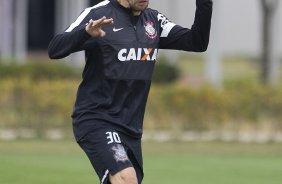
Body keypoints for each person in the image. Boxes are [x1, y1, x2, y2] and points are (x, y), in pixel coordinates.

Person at [48, 0, 213, 183]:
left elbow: (197, 42)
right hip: (97, 119)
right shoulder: (98, 14)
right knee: (127, 178)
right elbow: (54, 49)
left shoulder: (154, 20)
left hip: (131, 128)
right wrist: (85, 33)